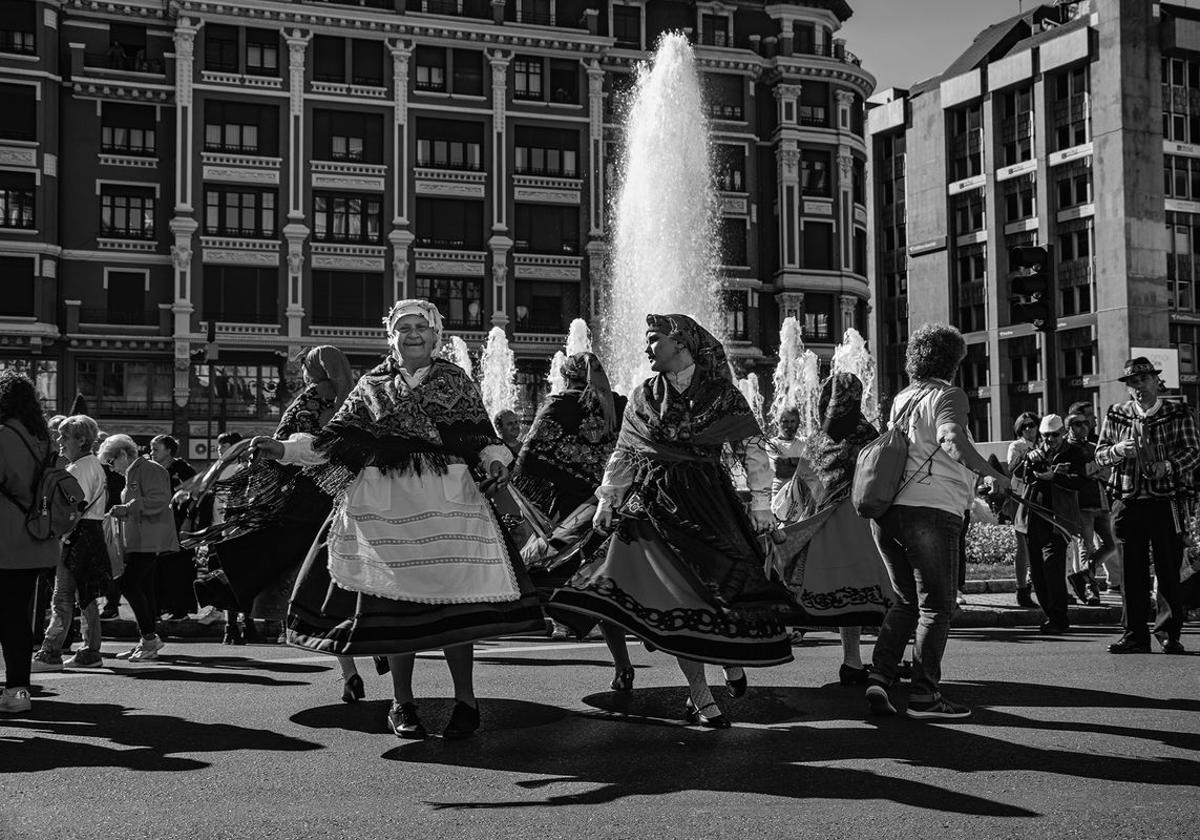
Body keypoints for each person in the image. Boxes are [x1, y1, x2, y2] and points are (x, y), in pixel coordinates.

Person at [254, 300, 544, 740]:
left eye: (420, 327)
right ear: (392, 336)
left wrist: (496, 461)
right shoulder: (372, 385)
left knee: (457, 609)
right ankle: (401, 704)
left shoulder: (455, 379)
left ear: (435, 335)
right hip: (388, 513)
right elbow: (332, 444)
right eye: (403, 327)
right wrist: (284, 450)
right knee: (396, 611)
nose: (412, 334)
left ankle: (466, 703)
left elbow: (482, 438)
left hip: (450, 509)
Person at [552, 314, 793, 728]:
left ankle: (729, 662)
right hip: (653, 502)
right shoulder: (644, 394)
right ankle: (700, 697)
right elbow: (626, 452)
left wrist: (761, 506)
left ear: (681, 343)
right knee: (676, 600)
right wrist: (608, 502)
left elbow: (752, 448)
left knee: (725, 586)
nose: (648, 348)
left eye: (654, 340)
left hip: (708, 499)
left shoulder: (723, 394)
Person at [864, 324, 1009, 721]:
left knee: (906, 602)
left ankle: (879, 676)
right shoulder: (949, 395)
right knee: (937, 607)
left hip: (888, 513)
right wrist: (994, 475)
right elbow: (951, 439)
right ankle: (925, 695)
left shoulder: (903, 398)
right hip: (930, 510)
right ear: (954, 360)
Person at [508, 351, 634, 689]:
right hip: (618, 506)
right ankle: (627, 659)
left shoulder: (557, 404)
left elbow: (528, 459)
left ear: (566, 377)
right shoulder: (619, 405)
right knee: (613, 585)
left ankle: (619, 662)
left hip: (574, 512)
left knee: (545, 571)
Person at [770, 372, 896, 685]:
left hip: (824, 531)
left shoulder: (817, 441)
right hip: (864, 527)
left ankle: (852, 662)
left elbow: (801, 489)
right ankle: (889, 662)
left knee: (843, 599)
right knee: (882, 597)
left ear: (827, 399)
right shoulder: (870, 436)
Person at [1096, 357, 1199, 654]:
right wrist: (1118, 450)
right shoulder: (1116, 414)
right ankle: (1134, 634)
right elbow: (1100, 454)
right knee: (1132, 572)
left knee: (1167, 568)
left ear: (1156, 382)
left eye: (1143, 380)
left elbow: (1194, 452)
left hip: (1165, 501)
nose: (1138, 387)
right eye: (1132, 383)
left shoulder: (1178, 412)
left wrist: (1168, 465)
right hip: (1128, 501)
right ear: (1128, 388)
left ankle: (1168, 633)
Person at [0, 372, 60, 715]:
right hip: (36, 538)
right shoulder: (45, 440)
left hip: (4, 537)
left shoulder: (4, 436)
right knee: (16, 617)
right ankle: (18, 690)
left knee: (7, 616)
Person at [30, 415, 110, 672]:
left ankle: (50, 653)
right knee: (86, 596)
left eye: (65, 436)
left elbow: (72, 508)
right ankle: (90, 651)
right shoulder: (93, 465)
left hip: (76, 535)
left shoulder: (78, 468)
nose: (59, 440)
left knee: (62, 596)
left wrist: (58, 534)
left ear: (81, 440)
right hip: (92, 532)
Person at [100, 433, 178, 662]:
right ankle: (147, 641)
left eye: (111, 462)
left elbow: (161, 499)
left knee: (129, 584)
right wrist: (126, 508)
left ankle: (149, 638)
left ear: (123, 455)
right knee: (143, 588)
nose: (111, 468)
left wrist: (128, 508)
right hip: (141, 539)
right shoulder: (137, 471)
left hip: (148, 539)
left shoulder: (149, 470)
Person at [1012, 414, 1086, 634]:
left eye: (1054, 435)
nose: (1050, 440)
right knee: (1037, 573)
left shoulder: (1074, 453)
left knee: (1052, 569)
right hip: (1032, 519)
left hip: (1057, 520)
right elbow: (1016, 472)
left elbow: (1080, 481)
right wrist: (1027, 459)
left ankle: (1059, 617)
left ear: (1063, 433)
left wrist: (1054, 477)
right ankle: (1050, 615)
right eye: (1045, 436)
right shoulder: (1034, 452)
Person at [1066, 412, 1116, 604]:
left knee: (1111, 544)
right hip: (1082, 506)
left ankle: (1084, 575)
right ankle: (1090, 590)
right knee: (1086, 548)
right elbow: (1077, 474)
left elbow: (1106, 472)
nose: (1083, 427)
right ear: (1069, 427)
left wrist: (1091, 471)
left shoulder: (1094, 447)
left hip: (1101, 503)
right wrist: (1091, 471)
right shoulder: (1067, 449)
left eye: (1086, 423)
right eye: (1077, 424)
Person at [151, 434, 198, 620]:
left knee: (178, 568)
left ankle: (180, 610)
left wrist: (187, 521)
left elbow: (195, 497)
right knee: (157, 568)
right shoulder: (151, 469)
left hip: (179, 524)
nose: (151, 453)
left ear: (169, 451)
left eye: (156, 449)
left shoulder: (184, 470)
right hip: (156, 524)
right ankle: (159, 608)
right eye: (151, 449)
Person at [1007, 412, 1040, 608]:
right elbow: (1013, 469)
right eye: (1025, 426)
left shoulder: (1041, 444)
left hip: (1037, 497)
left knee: (1036, 544)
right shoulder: (1017, 446)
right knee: (1022, 544)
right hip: (1020, 497)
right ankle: (1022, 589)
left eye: (1032, 424)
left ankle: (1034, 585)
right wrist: (1028, 457)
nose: (1029, 428)